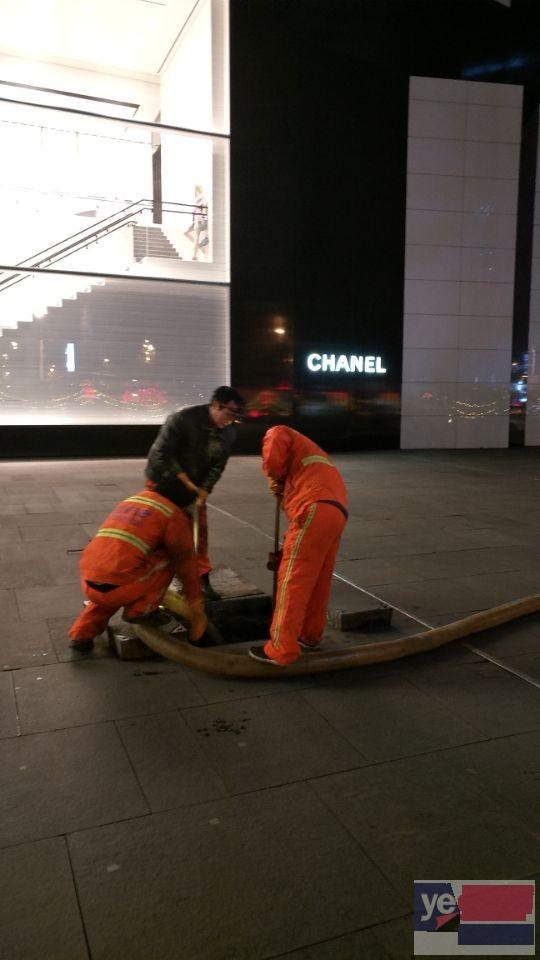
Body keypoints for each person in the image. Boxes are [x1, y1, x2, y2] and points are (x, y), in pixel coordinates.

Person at [68, 479, 207, 652]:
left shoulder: (135, 500)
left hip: (92, 580)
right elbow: (185, 561)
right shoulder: (173, 513)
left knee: (108, 591)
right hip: (122, 585)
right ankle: (142, 611)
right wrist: (195, 602)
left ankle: (81, 636)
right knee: (170, 560)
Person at [249, 426, 348, 666]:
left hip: (313, 507)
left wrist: (273, 476)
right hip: (336, 511)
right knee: (318, 578)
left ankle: (281, 649)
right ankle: (309, 635)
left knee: (292, 580)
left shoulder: (278, 431)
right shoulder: (309, 453)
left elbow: (273, 461)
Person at [145, 386, 245, 600]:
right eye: (228, 414)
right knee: (163, 534)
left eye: (235, 417)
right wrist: (183, 479)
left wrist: (205, 489)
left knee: (199, 533)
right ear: (215, 405)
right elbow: (162, 454)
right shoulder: (183, 419)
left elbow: (218, 465)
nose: (230, 420)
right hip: (162, 482)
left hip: (194, 486)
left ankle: (200, 578)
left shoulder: (228, 432)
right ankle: (153, 585)